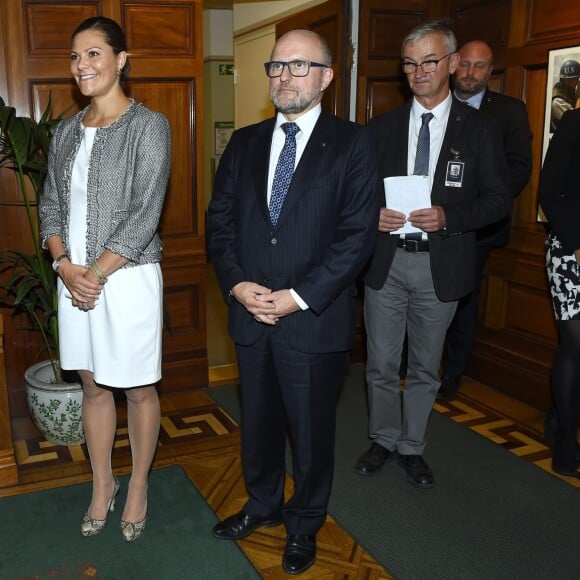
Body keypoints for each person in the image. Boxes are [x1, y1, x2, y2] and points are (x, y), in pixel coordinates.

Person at [206, 29, 378, 575]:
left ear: (327, 77)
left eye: (299, 66)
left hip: (313, 320)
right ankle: (262, 505)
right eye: (276, 66)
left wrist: (298, 298)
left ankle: (305, 523)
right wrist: (236, 284)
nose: (284, 75)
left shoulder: (353, 143)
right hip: (250, 314)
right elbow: (220, 223)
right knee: (256, 424)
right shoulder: (245, 142)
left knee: (309, 432)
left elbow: (356, 237)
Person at [354, 21, 511, 489]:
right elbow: (356, 195)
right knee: (381, 362)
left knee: (424, 365)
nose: (418, 71)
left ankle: (412, 447)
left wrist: (450, 216)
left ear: (451, 64)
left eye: (428, 61)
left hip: (440, 266)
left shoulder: (480, 130)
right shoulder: (379, 129)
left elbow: (500, 200)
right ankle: (383, 438)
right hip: (385, 262)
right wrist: (371, 215)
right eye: (409, 63)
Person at [39, 16, 171, 540]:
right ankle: (102, 484)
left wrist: (92, 273)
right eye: (75, 57)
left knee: (138, 389)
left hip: (128, 279)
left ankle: (137, 483)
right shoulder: (65, 131)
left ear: (121, 59)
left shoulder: (149, 125)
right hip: (72, 280)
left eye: (94, 54)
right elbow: (50, 205)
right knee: (92, 386)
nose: (82, 66)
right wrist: (64, 266)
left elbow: (144, 213)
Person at [438, 39, 533, 400]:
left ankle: (453, 373)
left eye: (480, 67)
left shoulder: (508, 112)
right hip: (428, 222)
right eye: (465, 65)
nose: (471, 73)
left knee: (462, 298)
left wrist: (475, 206)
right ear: (453, 64)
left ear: (490, 71)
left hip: (478, 229)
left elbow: (519, 169)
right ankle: (414, 361)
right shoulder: (435, 106)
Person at [537, 108, 580, 479]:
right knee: (575, 344)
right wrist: (578, 244)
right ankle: (566, 439)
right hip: (572, 251)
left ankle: (557, 416)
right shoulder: (575, 122)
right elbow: (549, 192)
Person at [551, 59, 580, 131]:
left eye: (575, 79)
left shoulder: (570, 93)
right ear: (563, 80)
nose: (573, 83)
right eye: (569, 80)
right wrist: (579, 98)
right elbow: (575, 122)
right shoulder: (558, 101)